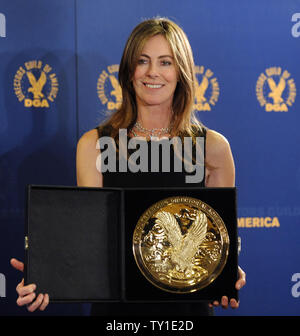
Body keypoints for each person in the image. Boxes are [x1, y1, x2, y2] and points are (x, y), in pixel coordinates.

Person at [11, 17, 246, 315]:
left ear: (181, 72)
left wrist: (226, 273)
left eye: (165, 62)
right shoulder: (94, 145)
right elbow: (90, 243)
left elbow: (216, 241)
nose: (152, 73)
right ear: (128, 71)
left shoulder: (213, 148)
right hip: (117, 315)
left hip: (187, 312)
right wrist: (45, 276)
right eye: (142, 61)